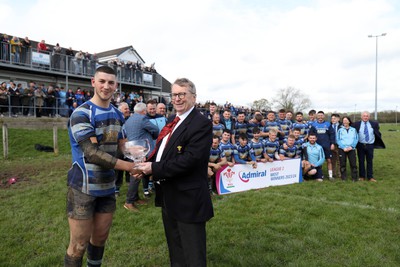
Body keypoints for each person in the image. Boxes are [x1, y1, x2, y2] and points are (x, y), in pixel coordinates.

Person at [136, 78, 214, 267]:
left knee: (193, 255)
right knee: (176, 251)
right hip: (169, 196)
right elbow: (163, 152)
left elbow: (189, 160)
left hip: (188, 199)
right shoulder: (172, 120)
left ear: (193, 98)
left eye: (182, 94)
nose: (177, 99)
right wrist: (145, 167)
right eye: (174, 94)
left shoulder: (201, 123)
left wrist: (153, 168)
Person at [64, 66, 137, 267]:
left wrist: (137, 155)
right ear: (93, 82)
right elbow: (92, 153)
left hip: (107, 187)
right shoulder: (81, 113)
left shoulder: (117, 114)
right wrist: (128, 167)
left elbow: (122, 146)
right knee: (79, 244)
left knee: (100, 239)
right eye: (102, 81)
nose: (106, 86)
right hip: (83, 188)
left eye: (111, 82)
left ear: (116, 85)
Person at [123, 102, 159, 211]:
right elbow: (156, 130)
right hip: (141, 151)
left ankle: (135, 198)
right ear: (144, 111)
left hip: (131, 150)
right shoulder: (143, 119)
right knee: (136, 176)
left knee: (138, 175)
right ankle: (129, 202)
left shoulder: (128, 120)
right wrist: (153, 136)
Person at [353, 111, 385, 182]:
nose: (365, 117)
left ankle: (370, 177)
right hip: (360, 145)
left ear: (369, 117)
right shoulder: (356, 124)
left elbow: (377, 133)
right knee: (361, 161)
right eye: (364, 116)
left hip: (370, 145)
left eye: (367, 116)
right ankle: (362, 176)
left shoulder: (374, 124)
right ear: (361, 117)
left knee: (369, 161)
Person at [309, 111, 335, 180]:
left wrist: (332, 143)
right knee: (317, 161)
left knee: (329, 160)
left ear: (324, 116)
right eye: (319, 115)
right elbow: (311, 135)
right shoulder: (314, 125)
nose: (320, 117)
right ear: (317, 116)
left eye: (321, 115)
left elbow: (332, 134)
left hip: (326, 146)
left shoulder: (328, 124)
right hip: (317, 146)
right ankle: (319, 175)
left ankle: (330, 176)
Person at [114, 102, 132, 196]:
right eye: (126, 109)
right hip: (118, 146)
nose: (128, 110)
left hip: (129, 146)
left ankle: (130, 185)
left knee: (129, 165)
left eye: (128, 108)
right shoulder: (116, 120)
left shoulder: (130, 120)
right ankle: (116, 188)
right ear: (120, 110)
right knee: (119, 167)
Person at [336, 116, 358, 182]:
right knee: (342, 164)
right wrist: (343, 147)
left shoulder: (353, 130)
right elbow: (338, 139)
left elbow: (356, 139)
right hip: (342, 149)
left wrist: (351, 146)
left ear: (349, 121)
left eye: (346, 120)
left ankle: (354, 178)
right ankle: (343, 178)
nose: (345, 121)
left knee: (353, 164)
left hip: (351, 149)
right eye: (344, 120)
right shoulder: (340, 130)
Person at [330, 113, 341, 179]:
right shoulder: (329, 126)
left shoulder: (341, 126)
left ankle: (340, 173)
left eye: (334, 118)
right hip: (332, 144)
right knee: (332, 160)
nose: (333, 120)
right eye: (332, 118)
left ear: (338, 119)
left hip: (339, 145)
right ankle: (333, 173)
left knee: (339, 160)